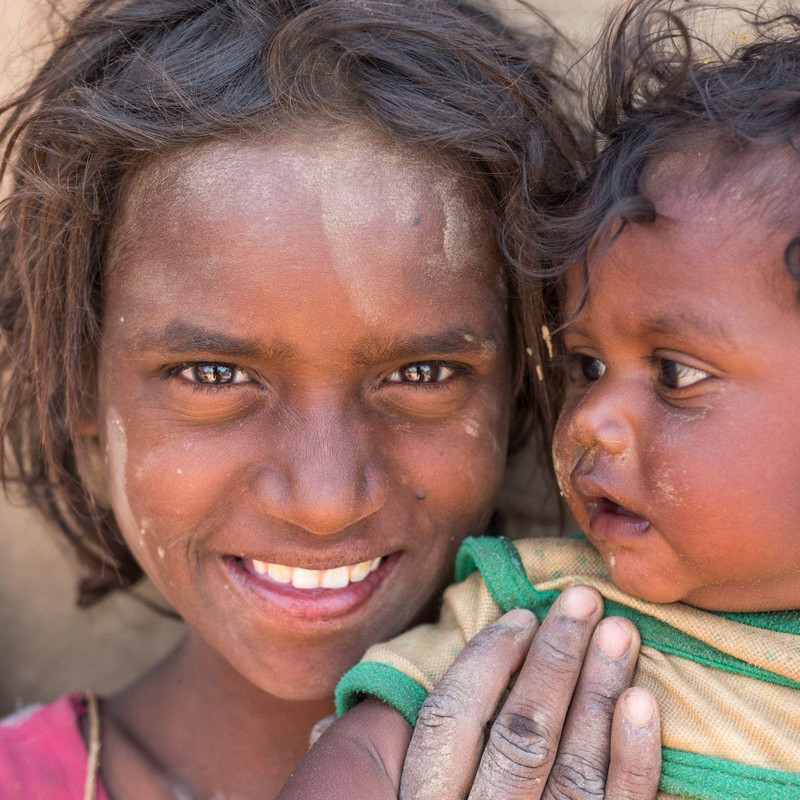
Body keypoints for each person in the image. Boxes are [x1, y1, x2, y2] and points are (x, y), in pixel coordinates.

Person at [0, 1, 663, 798]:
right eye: (212, 374)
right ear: (81, 380)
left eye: (421, 374)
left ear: (525, 386)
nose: (323, 502)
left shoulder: (717, 748)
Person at [277, 1, 800, 799]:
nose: (589, 420)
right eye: (586, 366)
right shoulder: (538, 614)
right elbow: (368, 762)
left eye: (674, 373)